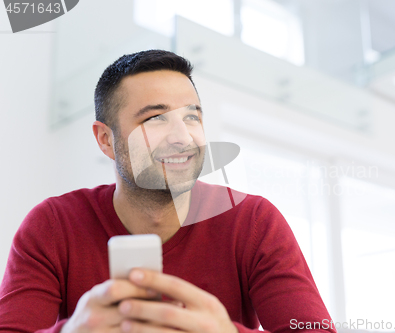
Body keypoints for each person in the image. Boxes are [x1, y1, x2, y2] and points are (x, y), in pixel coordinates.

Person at [0, 50, 335, 333]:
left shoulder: (253, 221)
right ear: (105, 140)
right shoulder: (53, 225)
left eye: (191, 117)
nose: (182, 137)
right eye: (155, 118)